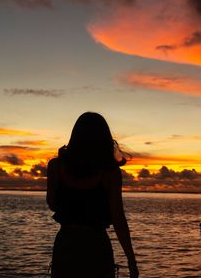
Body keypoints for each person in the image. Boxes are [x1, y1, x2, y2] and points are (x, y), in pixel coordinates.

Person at [46, 112, 139, 278]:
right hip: (96, 245)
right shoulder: (110, 173)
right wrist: (131, 260)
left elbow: (52, 203)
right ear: (104, 139)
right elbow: (118, 218)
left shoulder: (55, 166)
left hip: (66, 245)